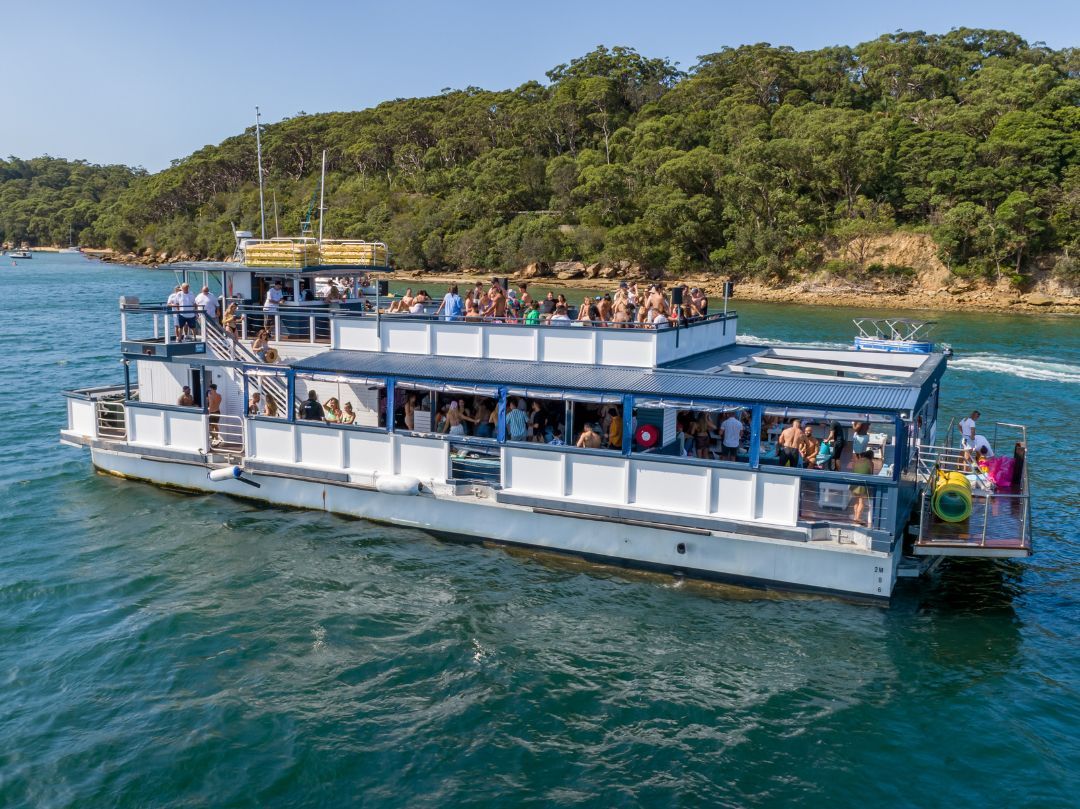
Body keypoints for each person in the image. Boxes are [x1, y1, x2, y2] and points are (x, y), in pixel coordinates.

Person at [851, 451, 874, 523]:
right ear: (871, 457)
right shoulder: (870, 463)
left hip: (854, 483)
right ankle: (857, 518)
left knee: (856, 500)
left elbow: (853, 470)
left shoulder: (857, 461)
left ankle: (855, 516)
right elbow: (871, 474)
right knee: (861, 502)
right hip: (862, 484)